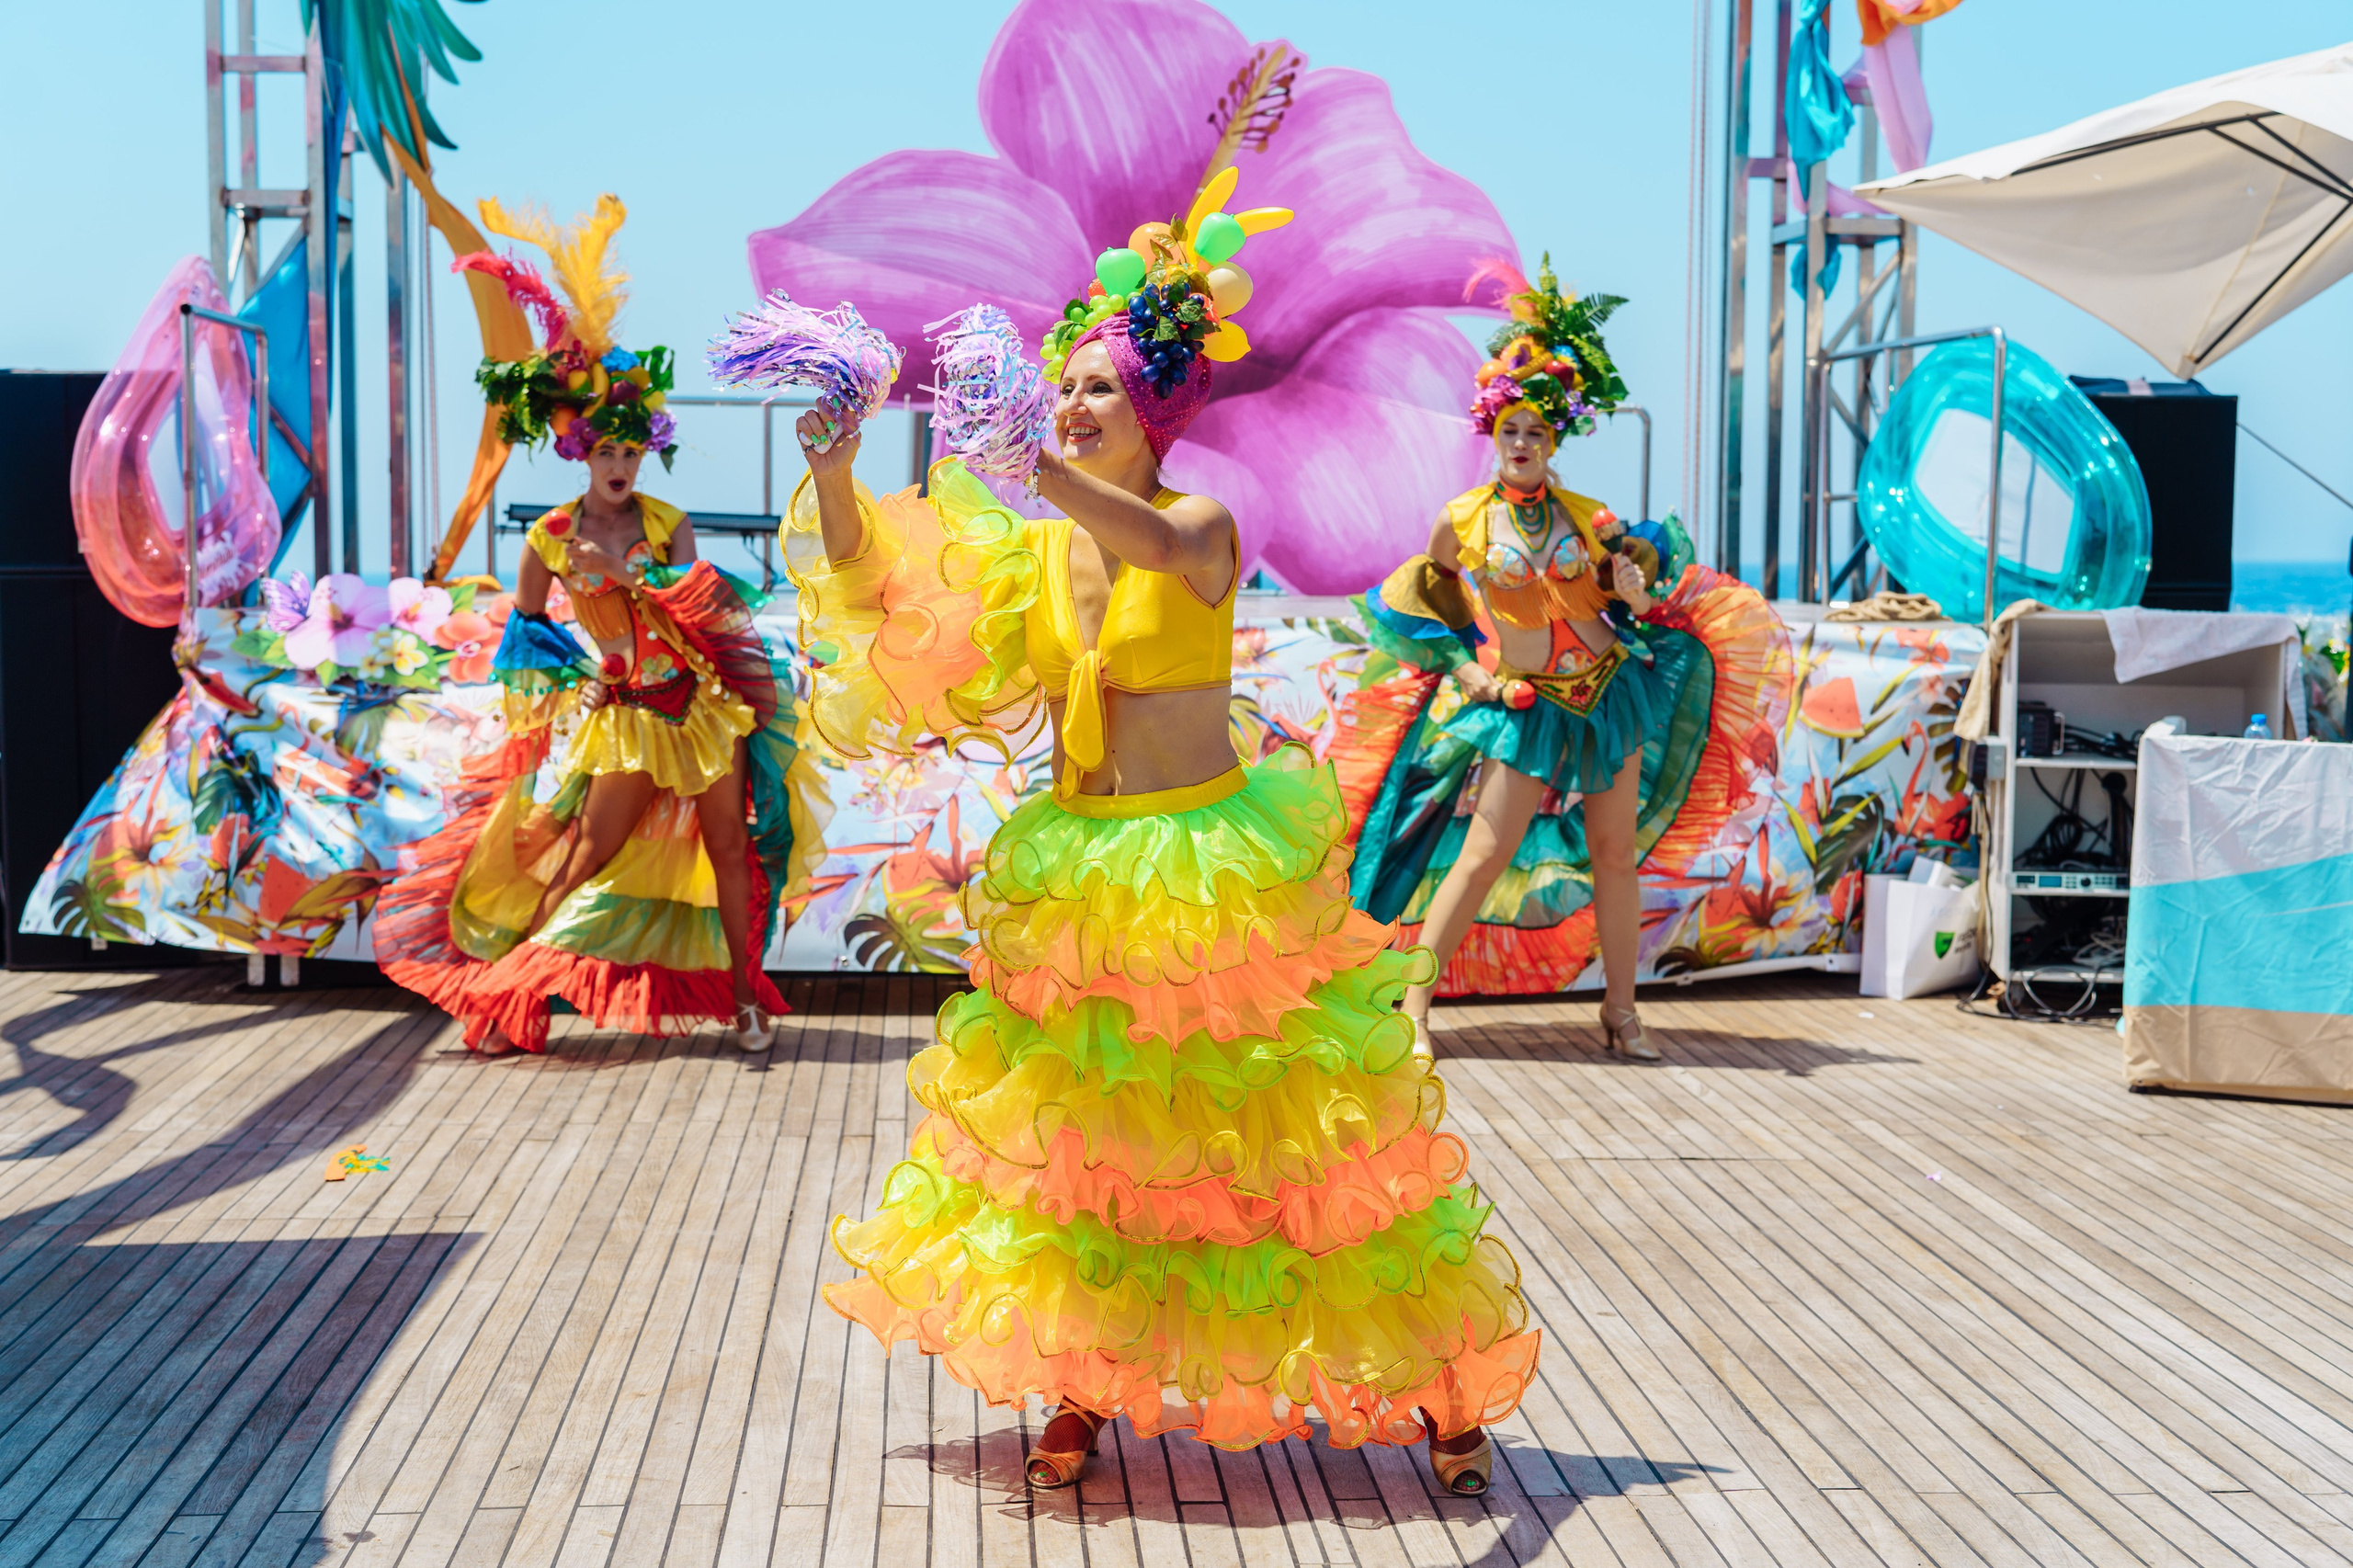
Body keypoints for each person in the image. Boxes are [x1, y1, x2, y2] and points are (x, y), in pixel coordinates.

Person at [777, 182, 1539, 1497]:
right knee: (1090, 1155)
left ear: (1156, 415)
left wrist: (1033, 463)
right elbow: (886, 588)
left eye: (1100, 392)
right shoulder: (1031, 553)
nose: (1073, 405)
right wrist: (837, 467)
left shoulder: (1198, 526)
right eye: (1064, 386)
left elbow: (1134, 531)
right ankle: (1084, 1383)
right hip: (1082, 870)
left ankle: (1434, 1384)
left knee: (1292, 1147)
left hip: (1207, 870)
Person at [376, 194, 827, 1056]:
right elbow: (528, 640)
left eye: (631, 451)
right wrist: (575, 685)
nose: (620, 464)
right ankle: (509, 1002)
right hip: (624, 716)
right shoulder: (548, 538)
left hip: (700, 709)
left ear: (645, 452)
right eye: (606, 451)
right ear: (581, 452)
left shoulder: (669, 525)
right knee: (582, 857)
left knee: (730, 853)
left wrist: (632, 579)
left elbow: (705, 618)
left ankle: (746, 1004)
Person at [1348, 257, 1783, 1061]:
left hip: (1610, 694)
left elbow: (1634, 605)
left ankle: (1622, 1012)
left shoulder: (1591, 518)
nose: (1522, 443)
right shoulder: (1461, 520)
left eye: (1537, 433)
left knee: (1615, 857)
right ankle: (1415, 1006)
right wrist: (1469, 670)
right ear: (1492, 432)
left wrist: (1633, 591)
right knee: (1483, 854)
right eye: (1511, 430)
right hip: (1527, 705)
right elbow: (1426, 597)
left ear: (1555, 440)